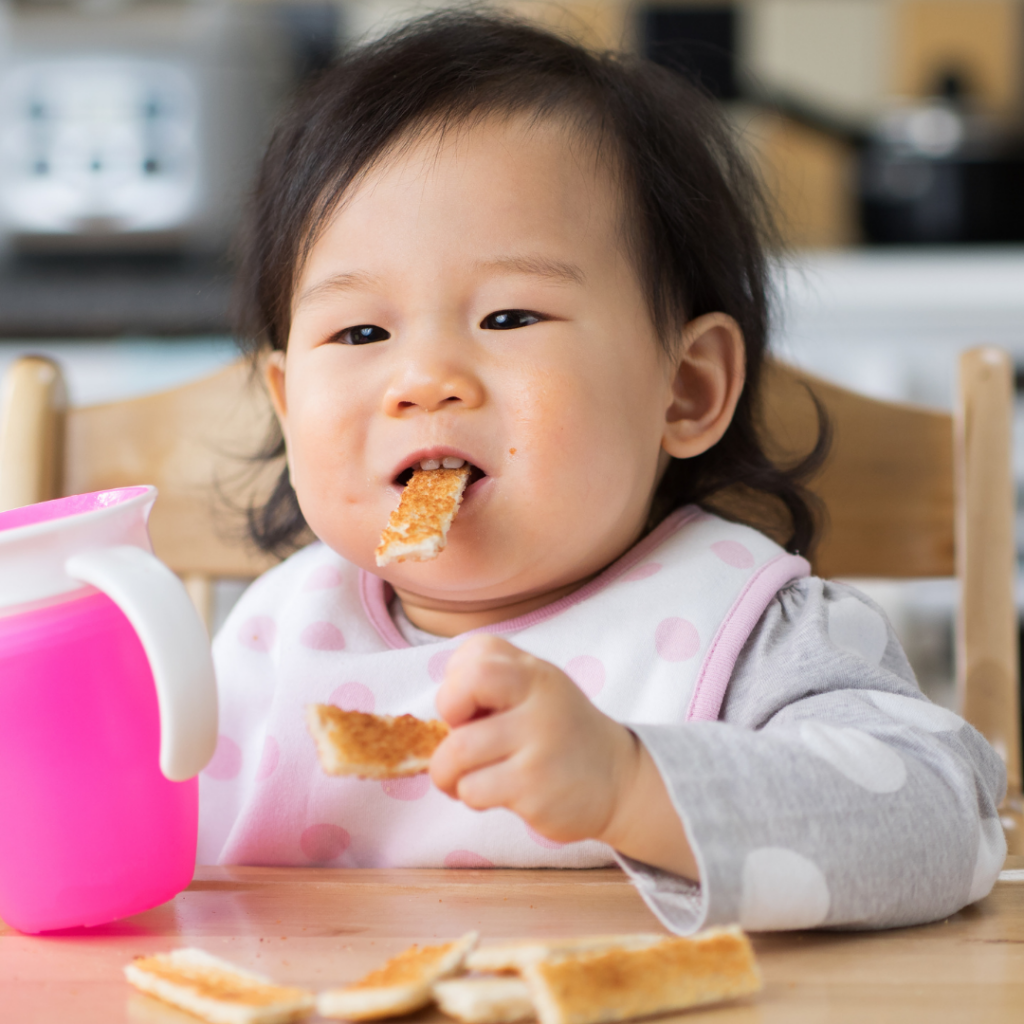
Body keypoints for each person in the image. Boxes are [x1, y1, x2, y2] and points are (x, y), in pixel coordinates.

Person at [198, 10, 1006, 933]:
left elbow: (944, 824)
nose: (423, 381)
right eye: (362, 333)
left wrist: (633, 781)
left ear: (685, 390)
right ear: (286, 398)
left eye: (508, 318)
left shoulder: (750, 634)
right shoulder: (267, 643)